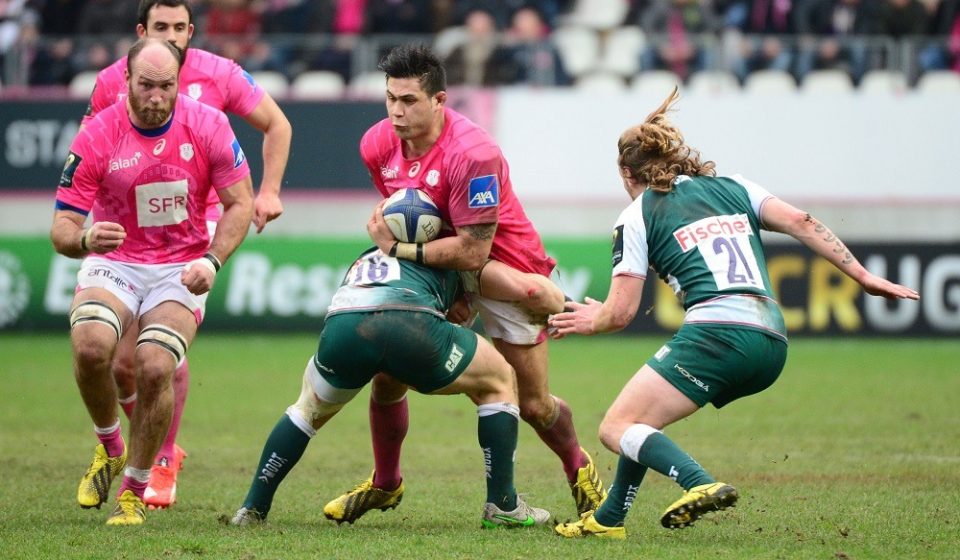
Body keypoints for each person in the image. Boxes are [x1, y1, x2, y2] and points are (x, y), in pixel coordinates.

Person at [550, 88, 920, 539]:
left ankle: (699, 483)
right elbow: (803, 222)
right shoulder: (736, 187)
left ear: (626, 172)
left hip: (719, 333)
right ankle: (609, 521)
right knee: (640, 420)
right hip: (772, 340)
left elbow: (621, 313)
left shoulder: (637, 213)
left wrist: (593, 319)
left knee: (616, 426)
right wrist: (862, 276)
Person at [322, 44, 606, 524]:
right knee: (387, 375)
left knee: (534, 405)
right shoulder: (376, 144)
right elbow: (414, 221)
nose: (396, 111)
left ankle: (579, 469)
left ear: (439, 100)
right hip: (445, 267)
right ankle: (385, 483)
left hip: (507, 266)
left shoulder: (475, 153)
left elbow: (473, 251)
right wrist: (447, 288)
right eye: (390, 98)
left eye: (409, 100)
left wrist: (398, 253)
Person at [82, 0, 292, 509]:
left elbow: (277, 125)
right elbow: (92, 149)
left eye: (180, 28)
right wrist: (87, 226)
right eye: (161, 28)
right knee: (121, 364)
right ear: (141, 32)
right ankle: (127, 445)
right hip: (132, 233)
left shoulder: (219, 73)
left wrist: (268, 191)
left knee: (161, 351)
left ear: (192, 30)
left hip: (199, 225)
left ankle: (163, 455)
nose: (172, 37)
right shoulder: (114, 79)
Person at [51, 37, 254, 525]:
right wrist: (84, 240)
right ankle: (110, 445)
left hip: (179, 264)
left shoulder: (208, 124)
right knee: (92, 347)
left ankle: (134, 490)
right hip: (116, 259)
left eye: (167, 85)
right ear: (126, 81)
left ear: (178, 82)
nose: (157, 96)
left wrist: (213, 260)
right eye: (147, 85)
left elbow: (240, 203)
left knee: (155, 365)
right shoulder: (98, 133)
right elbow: (60, 229)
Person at [230, 246, 551, 529]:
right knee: (499, 380)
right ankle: (503, 506)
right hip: (409, 324)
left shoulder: (370, 253)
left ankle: (253, 507)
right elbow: (499, 296)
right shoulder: (453, 253)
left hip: (344, 327)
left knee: (307, 410)